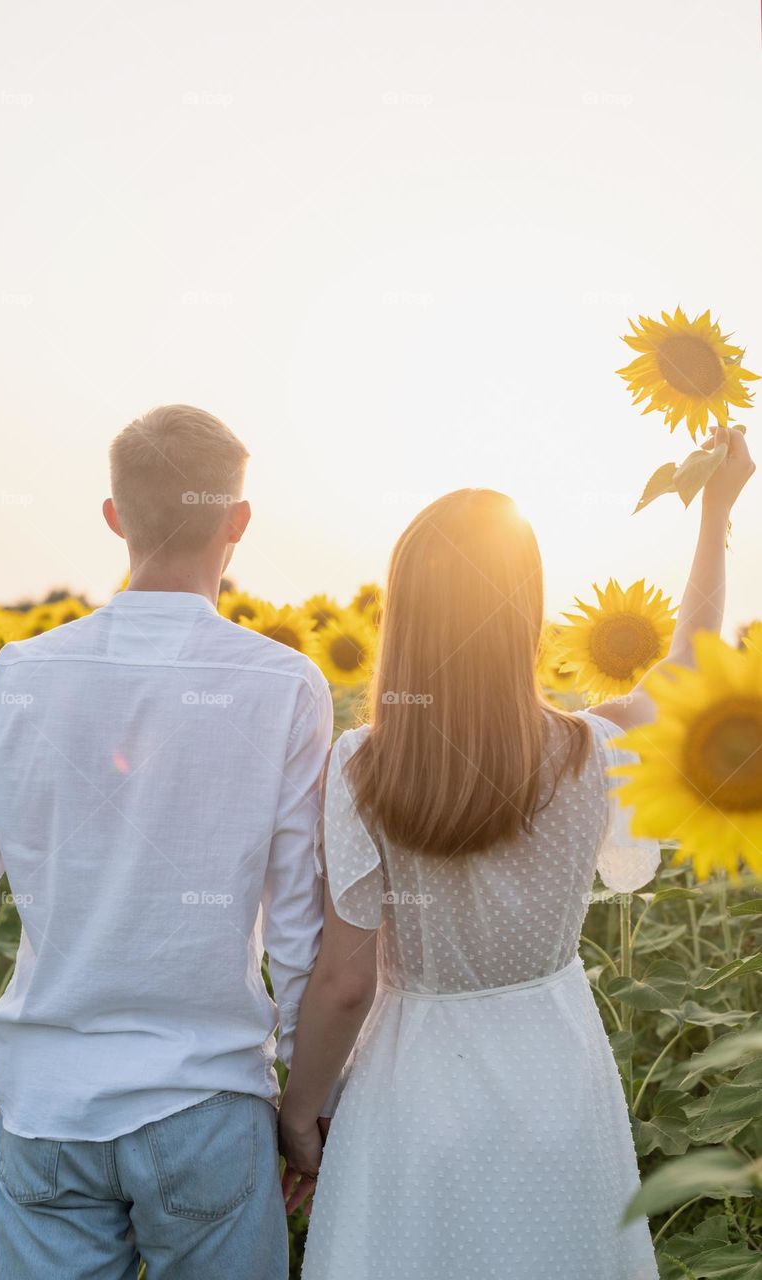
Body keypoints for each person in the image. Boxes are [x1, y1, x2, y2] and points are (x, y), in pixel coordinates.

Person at [279, 426, 755, 1280]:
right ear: (526, 607)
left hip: (411, 1085)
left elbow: (347, 982)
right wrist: (715, 513)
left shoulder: (365, 762)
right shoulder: (587, 751)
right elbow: (690, 662)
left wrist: (299, 1113)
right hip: (557, 1071)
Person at [0, 405, 333, 1280]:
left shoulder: (19, 675)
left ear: (113, 515)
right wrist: (308, 1101)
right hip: (209, 1104)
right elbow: (297, 924)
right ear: (237, 522)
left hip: (46, 1109)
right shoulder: (283, 684)